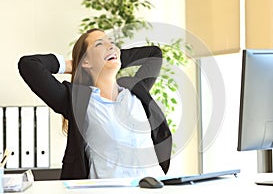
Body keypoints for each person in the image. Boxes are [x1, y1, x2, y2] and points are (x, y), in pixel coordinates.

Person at [18, 28, 172, 180]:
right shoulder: (77, 100)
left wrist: (113, 55)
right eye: (99, 44)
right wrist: (73, 65)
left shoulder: (136, 90)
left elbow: (154, 54)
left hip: (155, 187)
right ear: (86, 61)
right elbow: (28, 64)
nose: (111, 45)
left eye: (111, 42)